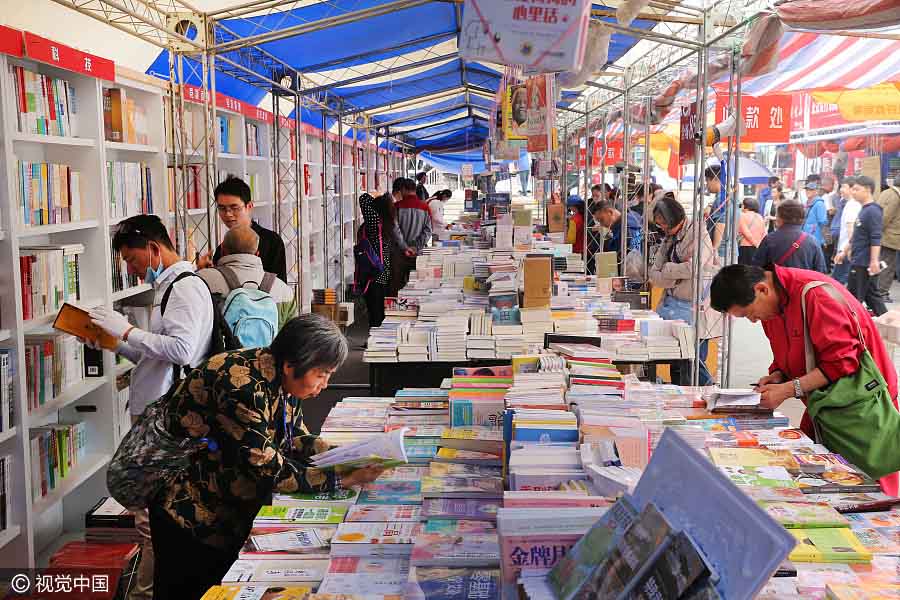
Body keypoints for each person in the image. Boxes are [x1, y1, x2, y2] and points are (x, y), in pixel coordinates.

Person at [148, 315, 385, 599]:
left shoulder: (280, 376)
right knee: (192, 590)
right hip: (187, 510)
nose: (324, 384)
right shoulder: (242, 386)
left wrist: (345, 455)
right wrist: (341, 478)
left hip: (224, 504)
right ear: (291, 364)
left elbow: (294, 436)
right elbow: (267, 467)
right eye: (321, 374)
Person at [89, 214, 214, 600]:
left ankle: (146, 593)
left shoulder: (184, 288)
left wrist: (127, 330)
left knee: (151, 519)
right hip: (158, 414)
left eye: (132, 259)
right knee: (153, 516)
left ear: (154, 249)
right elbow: (158, 356)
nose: (131, 269)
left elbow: (182, 350)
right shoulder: (169, 287)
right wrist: (117, 343)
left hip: (167, 421)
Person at [709, 264, 899, 495]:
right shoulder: (774, 305)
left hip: (862, 406)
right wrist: (778, 375)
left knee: (868, 486)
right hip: (824, 403)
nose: (753, 321)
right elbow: (791, 353)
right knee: (822, 478)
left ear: (762, 289)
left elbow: (842, 363)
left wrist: (789, 389)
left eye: (749, 313)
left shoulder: (817, 297)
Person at [649, 193, 721, 386]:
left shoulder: (699, 234)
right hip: (672, 307)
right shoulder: (668, 239)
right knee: (676, 361)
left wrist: (668, 270)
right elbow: (653, 274)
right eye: (658, 224)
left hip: (696, 310)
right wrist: (676, 277)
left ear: (675, 218)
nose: (662, 228)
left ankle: (711, 397)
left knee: (695, 363)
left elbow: (695, 268)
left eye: (664, 223)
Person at [197, 225, 298, 329]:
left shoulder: (202, 281)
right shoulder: (285, 292)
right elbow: (292, 337)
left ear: (222, 251)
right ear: (257, 253)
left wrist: (198, 272)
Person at [198, 176, 288, 283]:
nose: (228, 214)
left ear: (249, 206)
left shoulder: (272, 241)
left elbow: (279, 286)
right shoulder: (221, 249)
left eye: (234, 208)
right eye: (222, 208)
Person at [847, 175, 887, 316]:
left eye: (857, 189)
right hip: (859, 259)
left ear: (868, 190)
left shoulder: (873, 211)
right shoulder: (864, 209)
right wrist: (846, 249)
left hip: (864, 263)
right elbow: (858, 234)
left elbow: (876, 237)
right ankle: (887, 323)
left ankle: (853, 328)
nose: (853, 192)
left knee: (853, 297)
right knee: (872, 296)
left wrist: (874, 261)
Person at [752, 202, 827, 273]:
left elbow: (757, 267)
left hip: (776, 284)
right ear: (802, 219)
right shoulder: (812, 241)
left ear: (779, 218)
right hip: (802, 285)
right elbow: (821, 270)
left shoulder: (769, 239)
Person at [359, 192, 397, 327]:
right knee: (379, 309)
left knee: (374, 309)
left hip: (373, 273)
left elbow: (363, 198)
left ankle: (374, 338)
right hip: (382, 271)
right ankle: (376, 337)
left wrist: (376, 197)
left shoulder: (374, 222)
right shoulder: (386, 222)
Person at [392, 177, 432, 294]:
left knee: (398, 286)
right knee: (417, 286)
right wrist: (416, 247)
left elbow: (395, 230)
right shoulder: (425, 207)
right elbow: (428, 230)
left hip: (399, 254)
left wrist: (405, 247)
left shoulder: (396, 207)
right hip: (418, 254)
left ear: (403, 189)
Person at [832, 177, 861, 285]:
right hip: (846, 249)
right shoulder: (849, 203)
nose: (841, 189)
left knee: (837, 283)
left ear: (852, 189)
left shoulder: (852, 205)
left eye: (844, 187)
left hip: (846, 250)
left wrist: (846, 250)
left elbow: (851, 229)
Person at [876, 180, 900, 302]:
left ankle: (878, 291)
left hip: (883, 237)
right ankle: (882, 293)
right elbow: (884, 218)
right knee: (888, 266)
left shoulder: (886, 192)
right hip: (889, 238)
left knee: (882, 264)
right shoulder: (895, 197)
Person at [704, 165, 728, 253]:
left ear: (715, 179)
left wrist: (713, 250)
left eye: (707, 181)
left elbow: (720, 225)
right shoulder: (728, 196)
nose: (706, 185)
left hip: (720, 252)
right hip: (728, 249)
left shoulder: (721, 200)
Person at [738, 197, 767, 266]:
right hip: (758, 247)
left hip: (746, 247)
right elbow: (764, 233)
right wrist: (759, 245)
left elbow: (747, 233)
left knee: (744, 270)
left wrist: (755, 243)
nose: (741, 207)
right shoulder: (760, 217)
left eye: (742, 205)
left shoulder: (743, 216)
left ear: (746, 206)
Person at [802, 179, 828, 253]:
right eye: (807, 189)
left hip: (815, 239)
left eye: (810, 190)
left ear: (816, 191)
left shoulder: (819, 204)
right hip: (805, 238)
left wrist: (826, 240)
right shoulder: (806, 203)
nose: (807, 191)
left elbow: (823, 222)